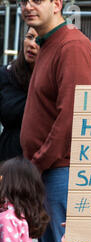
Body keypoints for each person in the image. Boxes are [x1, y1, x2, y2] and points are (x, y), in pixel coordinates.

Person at [19, 0, 91, 242]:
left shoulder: (71, 46)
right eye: (22, 1)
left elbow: (72, 115)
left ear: (57, 4)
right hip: (47, 172)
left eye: (37, 0)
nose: (27, 6)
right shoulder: (49, 44)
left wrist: (37, 163)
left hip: (62, 171)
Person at [0, 27, 39, 161]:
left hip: (43, 161)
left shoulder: (55, 79)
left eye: (39, 40)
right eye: (29, 37)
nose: (32, 44)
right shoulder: (6, 75)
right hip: (9, 160)